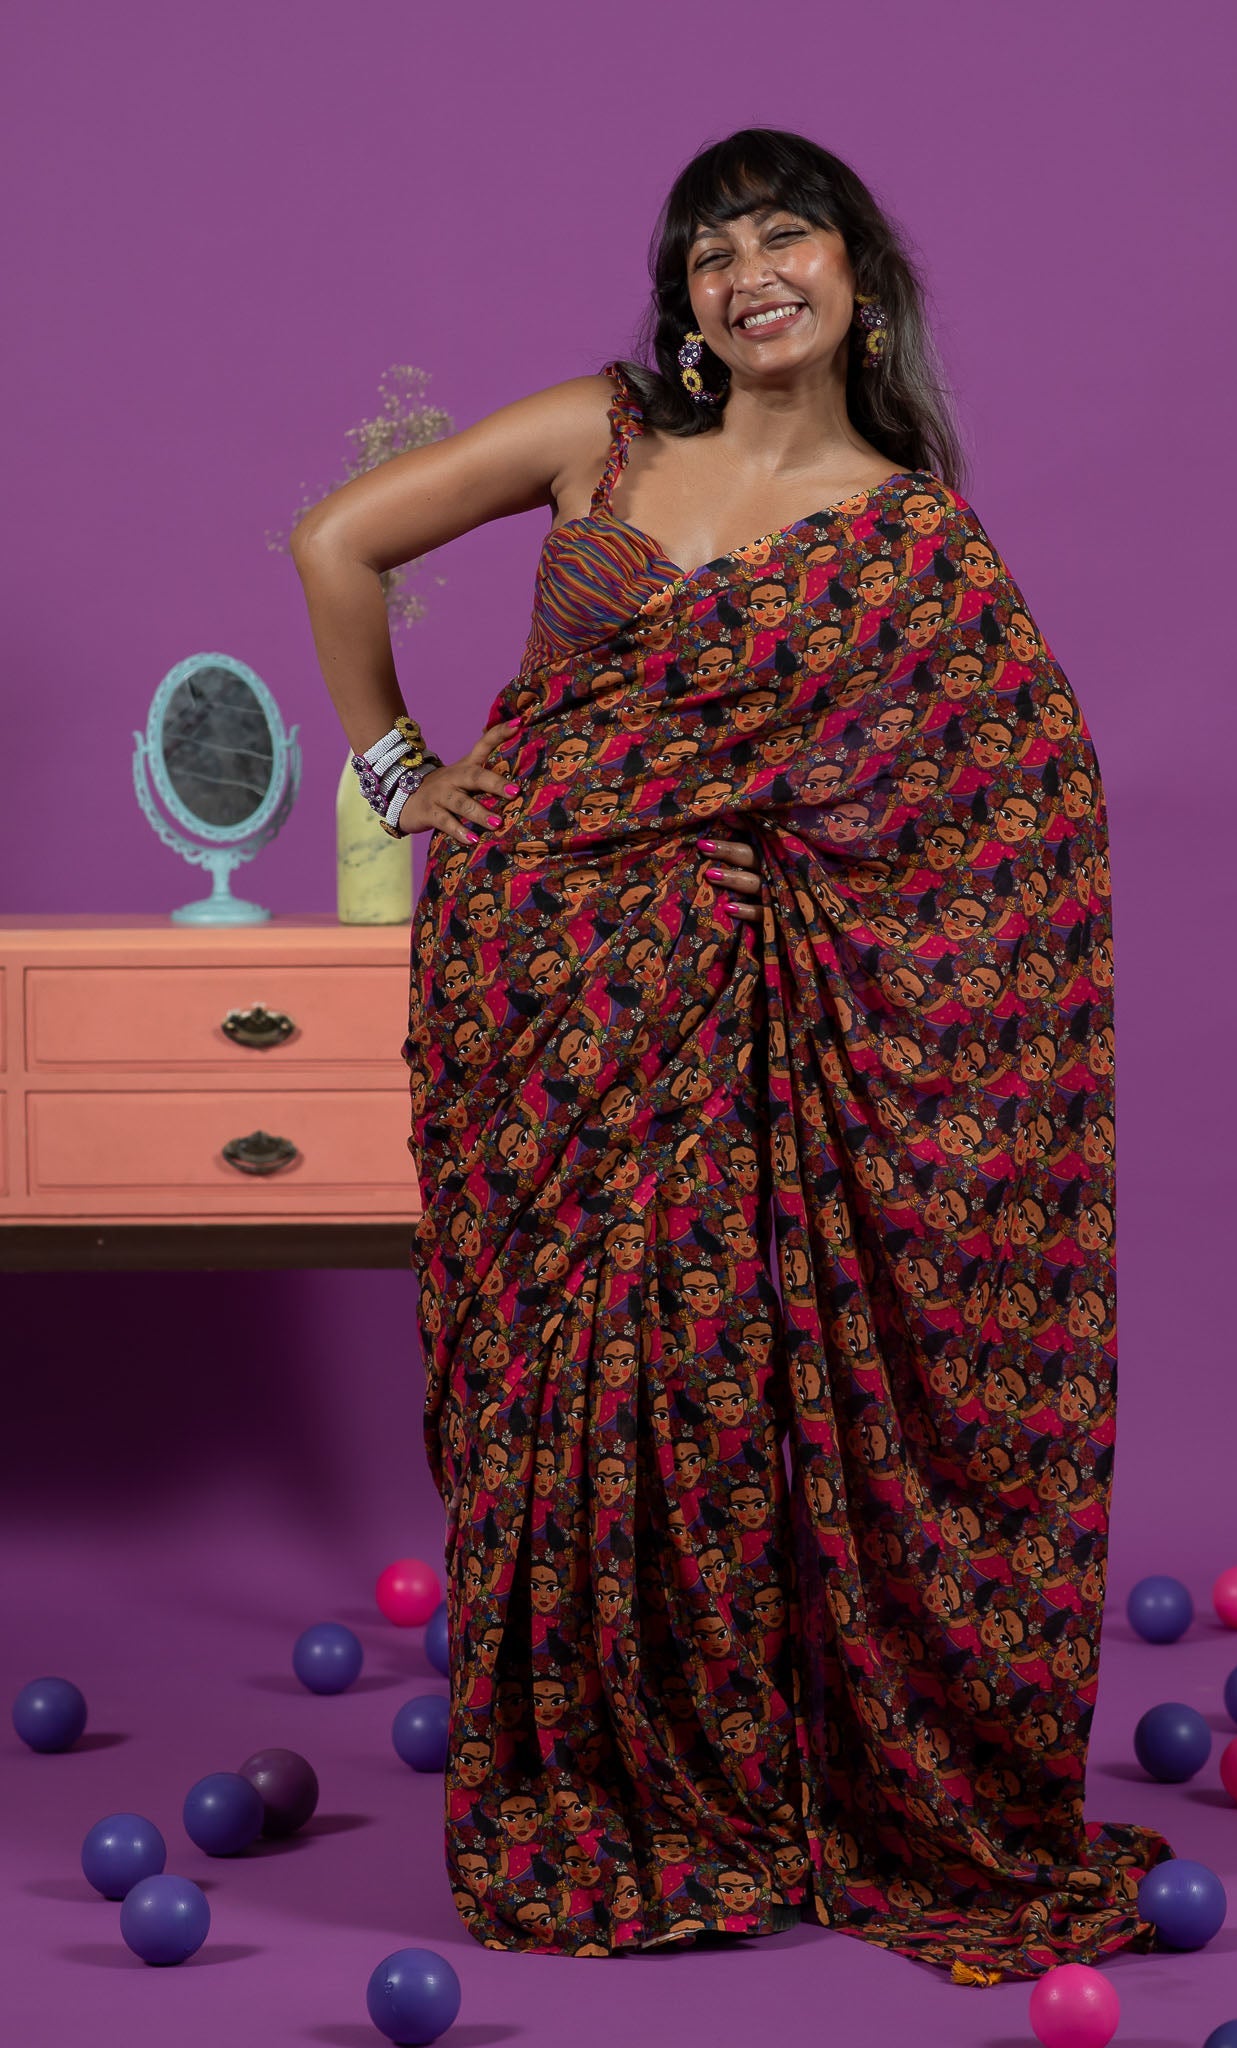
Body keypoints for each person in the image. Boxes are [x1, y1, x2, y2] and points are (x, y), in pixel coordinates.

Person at [292, 126, 1173, 1985]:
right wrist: (400, 774)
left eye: (787, 235)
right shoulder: (599, 435)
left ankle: (726, 1794)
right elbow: (336, 542)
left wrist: (843, 913)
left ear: (860, 279)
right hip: (533, 994)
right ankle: (582, 1782)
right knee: (542, 1405)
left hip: (729, 1017)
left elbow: (1015, 815)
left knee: (696, 1397)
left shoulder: (910, 540)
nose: (751, 271)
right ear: (684, 305)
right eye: (712, 251)